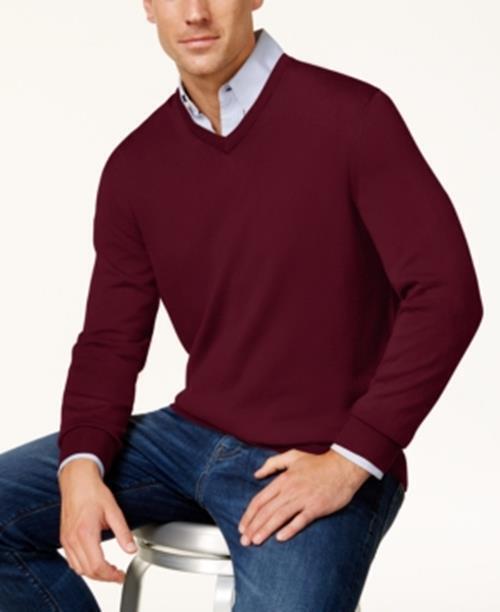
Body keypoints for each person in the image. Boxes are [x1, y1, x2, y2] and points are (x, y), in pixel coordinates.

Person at [0, 1, 483, 610]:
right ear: (148, 7)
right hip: (186, 439)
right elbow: (109, 342)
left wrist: (351, 459)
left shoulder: (354, 118)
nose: (195, 13)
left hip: (318, 451)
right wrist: (80, 463)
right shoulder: (135, 166)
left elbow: (446, 294)